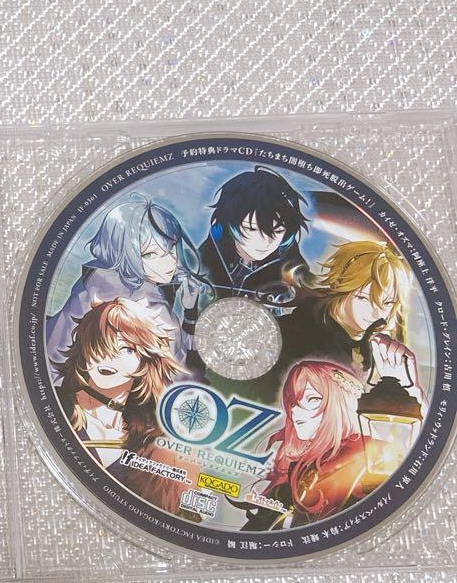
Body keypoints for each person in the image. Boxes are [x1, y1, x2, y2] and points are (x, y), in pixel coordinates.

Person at [46, 193, 211, 373]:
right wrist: (190, 316)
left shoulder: (96, 281)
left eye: (171, 248)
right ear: (122, 252)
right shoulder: (143, 309)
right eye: (149, 254)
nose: (170, 262)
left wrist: (189, 310)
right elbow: (180, 371)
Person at [53, 297, 187, 514]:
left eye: (126, 349)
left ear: (147, 360)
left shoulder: (153, 439)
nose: (109, 357)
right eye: (100, 344)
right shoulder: (55, 405)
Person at [238, 359, 385, 530]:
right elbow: (254, 534)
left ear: (342, 402)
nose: (295, 410)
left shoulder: (367, 459)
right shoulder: (298, 470)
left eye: (313, 398)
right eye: (293, 402)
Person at [273, 239, 419, 397]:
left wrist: (407, 386)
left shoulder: (369, 345)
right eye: (363, 298)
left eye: (388, 303)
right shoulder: (297, 333)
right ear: (342, 288)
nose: (376, 314)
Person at [198, 166, 310, 306]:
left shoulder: (294, 271)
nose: (265, 242)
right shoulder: (203, 259)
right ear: (229, 224)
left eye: (278, 231)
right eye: (251, 229)